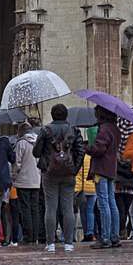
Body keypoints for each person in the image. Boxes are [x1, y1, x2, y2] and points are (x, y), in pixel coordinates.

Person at [33, 104, 84, 252]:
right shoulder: (73, 130)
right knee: (68, 208)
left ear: (52, 115)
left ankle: (50, 243)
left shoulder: (46, 130)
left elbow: (36, 152)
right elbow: (80, 150)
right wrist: (74, 169)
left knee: (51, 207)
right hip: (68, 173)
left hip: (50, 173)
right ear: (66, 115)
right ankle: (68, 243)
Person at [88, 105, 121, 250]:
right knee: (111, 202)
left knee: (103, 203)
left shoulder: (104, 129)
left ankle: (106, 237)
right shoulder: (115, 128)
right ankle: (115, 236)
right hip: (111, 169)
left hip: (101, 169)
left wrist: (87, 147)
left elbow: (99, 149)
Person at [12, 121, 41, 245]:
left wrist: (13, 176)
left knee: (25, 208)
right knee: (35, 208)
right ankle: (36, 234)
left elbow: (17, 163)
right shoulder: (39, 141)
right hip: (36, 180)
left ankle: (28, 235)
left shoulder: (21, 143)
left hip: (23, 180)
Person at [75, 151, 97, 241]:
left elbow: (79, 176)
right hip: (93, 187)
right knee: (90, 211)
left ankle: (86, 233)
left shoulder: (80, 157)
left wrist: (77, 189)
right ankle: (90, 232)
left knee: (83, 212)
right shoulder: (92, 157)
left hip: (83, 189)